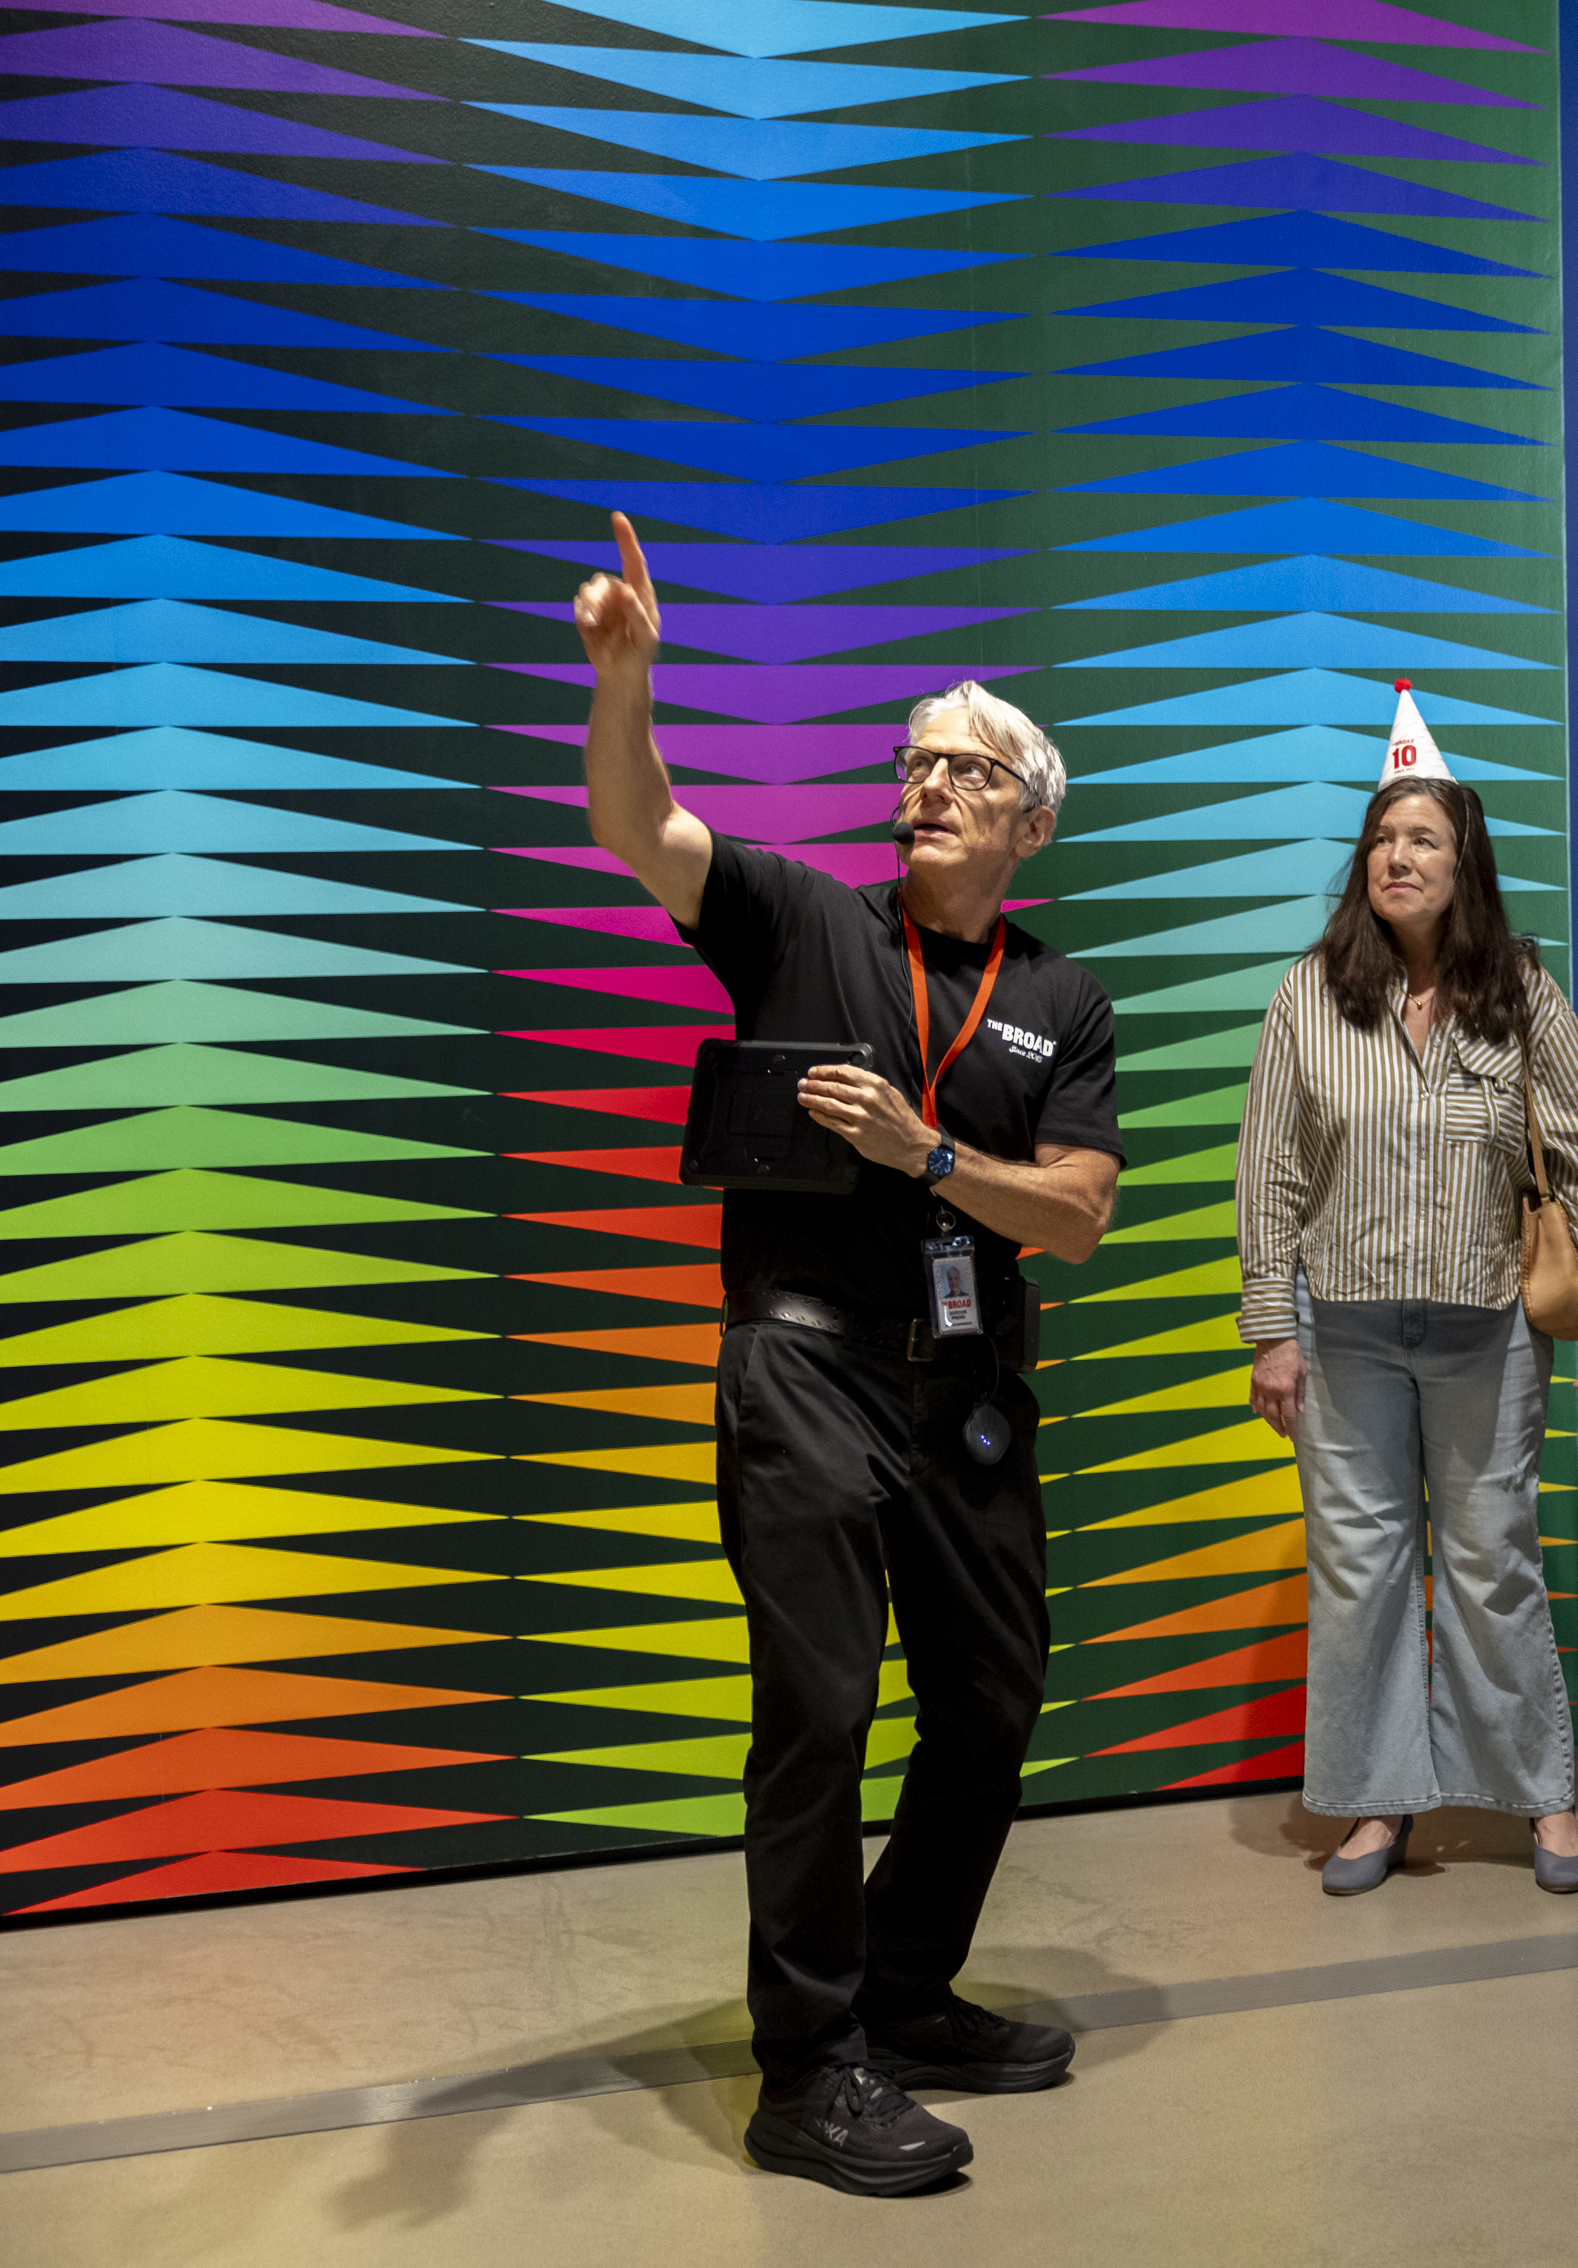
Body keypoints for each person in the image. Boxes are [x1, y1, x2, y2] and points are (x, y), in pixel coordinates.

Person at [570, 516, 1122, 2194]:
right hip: (802, 1367)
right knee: (818, 1711)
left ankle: (903, 1988)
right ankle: (807, 2069)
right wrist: (624, 681)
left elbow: (1077, 1215)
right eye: (916, 761)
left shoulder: (1062, 999)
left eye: (969, 769)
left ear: (1030, 820)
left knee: (991, 1699)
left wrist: (925, 1152)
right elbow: (640, 825)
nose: (930, 784)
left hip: (964, 1385)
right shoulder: (800, 915)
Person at [1238, 683, 1578, 1898]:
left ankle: (1540, 1794)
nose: (1396, 857)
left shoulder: (1521, 994)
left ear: (1465, 866)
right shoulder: (1309, 994)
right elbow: (1268, 1173)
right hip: (1344, 1336)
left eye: (1422, 839)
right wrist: (1271, 1329)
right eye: (1382, 838)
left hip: (1488, 1331)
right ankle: (1377, 1803)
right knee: (1358, 1573)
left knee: (1491, 1560)